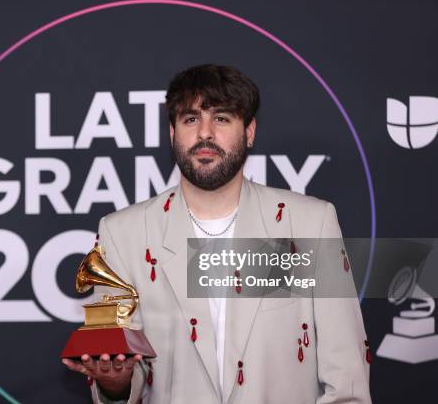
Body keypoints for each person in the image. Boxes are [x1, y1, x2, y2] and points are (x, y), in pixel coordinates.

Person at [62, 64, 371, 403]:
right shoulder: (122, 233)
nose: (205, 133)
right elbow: (123, 373)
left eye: (221, 118)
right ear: (172, 132)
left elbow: (347, 381)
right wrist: (115, 382)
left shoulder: (310, 223)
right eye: (191, 119)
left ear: (249, 131)